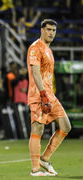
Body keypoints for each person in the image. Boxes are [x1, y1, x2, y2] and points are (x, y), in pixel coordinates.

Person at [27, 19, 71, 176]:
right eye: (49, 29)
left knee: (66, 126)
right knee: (37, 128)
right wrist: (43, 94)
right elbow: (35, 72)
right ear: (42, 30)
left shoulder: (48, 50)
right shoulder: (35, 48)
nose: (51, 33)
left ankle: (44, 159)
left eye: (54, 30)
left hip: (50, 95)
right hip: (39, 95)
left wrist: (49, 94)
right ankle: (35, 169)